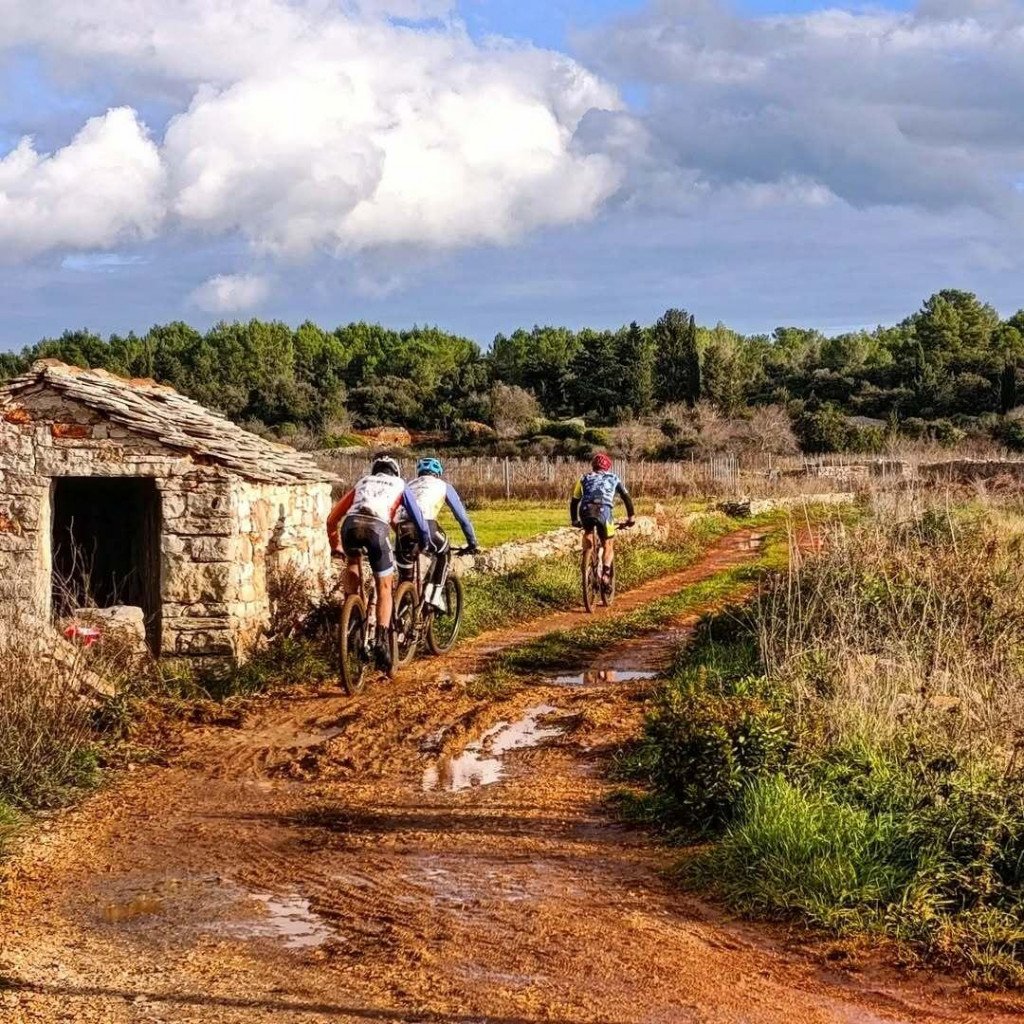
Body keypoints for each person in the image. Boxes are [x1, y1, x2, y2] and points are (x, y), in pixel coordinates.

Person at [326, 455, 431, 670]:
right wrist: (425, 540)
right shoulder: (400, 485)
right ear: (396, 472)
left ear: (375, 471)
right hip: (376, 529)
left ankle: (353, 616)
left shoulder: (363, 482)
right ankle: (382, 641)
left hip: (351, 526)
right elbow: (418, 519)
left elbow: (332, 519)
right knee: (384, 586)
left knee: (352, 564)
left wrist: (335, 545)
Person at [395, 457, 479, 610]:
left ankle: (398, 621)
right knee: (444, 551)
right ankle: (433, 596)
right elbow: (462, 518)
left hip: (401, 528)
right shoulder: (444, 486)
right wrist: (472, 542)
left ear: (419, 472)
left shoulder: (408, 485)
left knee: (404, 578)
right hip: (426, 524)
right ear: (438, 473)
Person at [570, 453, 635, 588]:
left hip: (586, 510)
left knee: (588, 532)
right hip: (604, 511)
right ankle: (605, 575)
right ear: (607, 467)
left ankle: (587, 558)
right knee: (608, 544)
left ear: (593, 466)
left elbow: (575, 501)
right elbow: (626, 497)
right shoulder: (613, 478)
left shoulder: (583, 478)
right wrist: (631, 518)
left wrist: (575, 520)